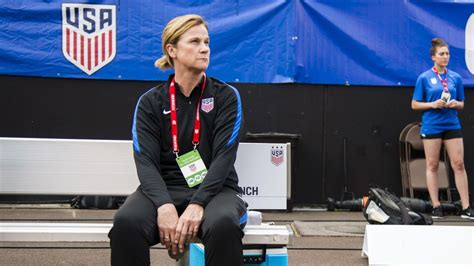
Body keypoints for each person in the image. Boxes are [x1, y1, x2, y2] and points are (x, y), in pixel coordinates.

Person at [109, 14, 248, 265]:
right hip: (164, 190)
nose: (204, 48)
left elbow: (224, 158)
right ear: (171, 50)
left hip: (217, 191)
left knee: (222, 225)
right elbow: (145, 161)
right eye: (194, 41)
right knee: (126, 223)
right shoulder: (151, 102)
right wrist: (163, 205)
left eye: (206, 42)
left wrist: (198, 203)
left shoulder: (226, 96)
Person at [411, 38, 473, 219]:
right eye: (442, 54)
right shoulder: (424, 78)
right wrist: (432, 104)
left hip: (451, 123)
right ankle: (436, 205)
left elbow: (462, 103)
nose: (445, 57)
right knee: (432, 164)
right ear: (433, 57)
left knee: (458, 164)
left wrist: (455, 104)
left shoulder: (455, 77)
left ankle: (466, 207)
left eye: (447, 54)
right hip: (432, 125)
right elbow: (414, 104)